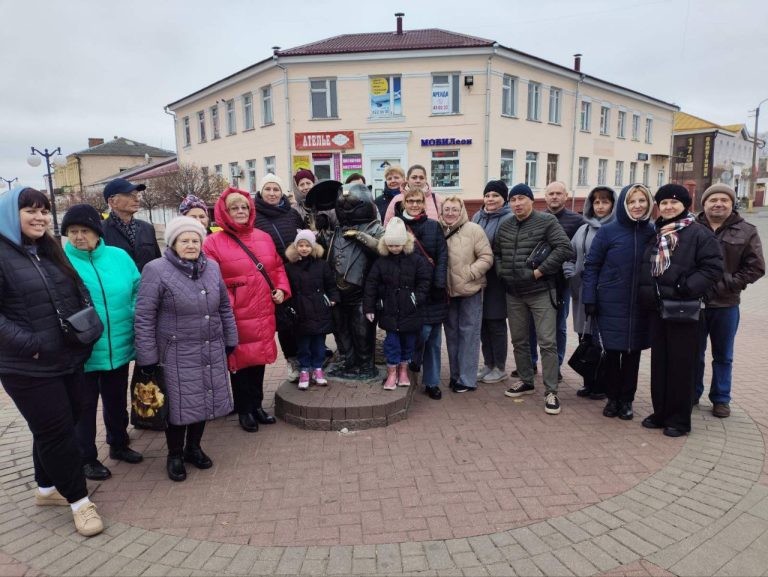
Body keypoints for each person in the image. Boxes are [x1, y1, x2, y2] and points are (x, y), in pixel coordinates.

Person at [0, 186, 103, 537]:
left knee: (64, 420)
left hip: (67, 355)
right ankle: (79, 502)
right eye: (30, 210)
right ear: (11, 215)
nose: (40, 217)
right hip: (27, 365)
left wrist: (86, 325)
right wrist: (33, 344)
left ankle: (46, 488)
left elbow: (76, 289)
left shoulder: (48, 249)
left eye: (44, 211)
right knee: (58, 432)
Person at [135, 216, 238, 481]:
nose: (191, 245)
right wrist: (147, 356)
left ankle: (194, 448)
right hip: (175, 352)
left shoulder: (212, 267)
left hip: (210, 346)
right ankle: (175, 454)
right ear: (173, 243)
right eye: (184, 240)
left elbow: (224, 307)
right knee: (179, 406)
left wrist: (230, 339)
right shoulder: (155, 270)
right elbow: (145, 315)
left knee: (204, 399)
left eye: (195, 240)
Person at [62, 204, 143, 481]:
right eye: (72, 231)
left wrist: (132, 313)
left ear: (98, 232)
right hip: (82, 350)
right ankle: (87, 458)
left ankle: (119, 444)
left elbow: (137, 289)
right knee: (84, 408)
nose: (78, 237)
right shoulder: (60, 261)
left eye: (85, 230)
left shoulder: (119, 257)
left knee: (116, 399)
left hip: (118, 346)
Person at [638, 184, 722, 437]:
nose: (668, 207)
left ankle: (679, 419)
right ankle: (660, 412)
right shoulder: (657, 232)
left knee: (681, 366)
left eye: (674, 203)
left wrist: (686, 286)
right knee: (660, 363)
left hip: (684, 310)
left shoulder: (698, 233)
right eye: (663, 203)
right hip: (658, 309)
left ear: (685, 205)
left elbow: (713, 268)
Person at [203, 188, 291, 432]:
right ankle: (244, 410)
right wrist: (232, 295)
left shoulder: (263, 237)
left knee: (258, 360)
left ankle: (257, 405)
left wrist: (282, 289)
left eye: (244, 207)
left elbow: (277, 268)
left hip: (262, 310)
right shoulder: (212, 243)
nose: (240, 211)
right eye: (235, 207)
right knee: (239, 363)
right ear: (225, 212)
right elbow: (210, 281)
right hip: (235, 314)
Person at [494, 183, 573, 415]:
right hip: (514, 293)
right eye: (513, 199)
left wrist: (540, 272)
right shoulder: (505, 224)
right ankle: (526, 381)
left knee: (547, 342)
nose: (517, 203)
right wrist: (502, 272)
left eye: (521, 198)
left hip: (540, 292)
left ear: (531, 200)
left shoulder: (547, 221)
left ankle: (551, 391)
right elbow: (497, 252)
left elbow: (564, 248)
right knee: (519, 340)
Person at [581, 185, 655, 419]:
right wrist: (590, 298)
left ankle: (627, 400)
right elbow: (591, 266)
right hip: (610, 302)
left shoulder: (651, 232)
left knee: (633, 355)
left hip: (641, 305)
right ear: (623, 203)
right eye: (632, 201)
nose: (637, 205)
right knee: (612, 353)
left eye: (642, 200)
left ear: (649, 203)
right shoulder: (608, 231)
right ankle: (612, 398)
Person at [695, 183, 764, 418]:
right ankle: (692, 393)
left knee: (723, 355)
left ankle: (721, 399)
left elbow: (756, 267)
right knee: (694, 352)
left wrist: (728, 284)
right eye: (713, 199)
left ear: (731, 204)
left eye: (724, 200)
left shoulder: (746, 230)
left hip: (726, 305)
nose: (718, 203)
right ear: (704, 203)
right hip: (696, 304)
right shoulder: (691, 227)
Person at [515, 181, 585, 379]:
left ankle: (556, 365)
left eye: (558, 193)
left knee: (558, 326)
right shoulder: (536, 218)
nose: (554, 197)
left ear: (566, 196)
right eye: (550, 194)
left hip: (560, 283)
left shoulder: (576, 221)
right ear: (544, 197)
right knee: (531, 325)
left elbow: (576, 252)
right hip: (536, 282)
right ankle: (531, 362)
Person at [393, 186, 448, 399]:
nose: (415, 205)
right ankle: (412, 361)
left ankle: (432, 382)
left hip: (433, 292)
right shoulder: (397, 225)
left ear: (424, 203)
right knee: (418, 333)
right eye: (410, 201)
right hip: (410, 291)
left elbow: (442, 255)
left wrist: (440, 282)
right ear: (404, 203)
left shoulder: (434, 226)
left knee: (433, 338)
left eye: (418, 201)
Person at [364, 217, 432, 390]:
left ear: (404, 243)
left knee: (409, 343)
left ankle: (403, 371)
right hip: (390, 310)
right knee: (391, 343)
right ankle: (392, 373)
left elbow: (424, 280)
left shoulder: (416, 260)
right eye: (391, 245)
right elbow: (371, 283)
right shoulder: (381, 262)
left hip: (410, 310)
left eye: (397, 245)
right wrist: (370, 306)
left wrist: (416, 297)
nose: (394, 248)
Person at [563, 186, 617, 400]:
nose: (601, 206)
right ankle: (589, 380)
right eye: (597, 202)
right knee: (586, 338)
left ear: (613, 204)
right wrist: (570, 271)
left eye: (605, 202)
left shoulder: (618, 228)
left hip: (607, 294)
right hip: (583, 292)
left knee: (603, 340)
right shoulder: (584, 229)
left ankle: (603, 384)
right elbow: (569, 253)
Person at [327, 183, 385, 379]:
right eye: (342, 207)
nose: (346, 210)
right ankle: (348, 361)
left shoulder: (374, 227)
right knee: (341, 331)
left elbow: (383, 249)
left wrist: (362, 237)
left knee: (362, 332)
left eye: (351, 206)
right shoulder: (337, 230)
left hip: (362, 295)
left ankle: (366, 365)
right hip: (337, 293)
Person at [439, 196, 493, 392]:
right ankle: (455, 376)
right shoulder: (438, 230)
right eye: (447, 209)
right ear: (441, 211)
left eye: (455, 209)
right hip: (447, 292)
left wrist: (470, 273)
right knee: (451, 335)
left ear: (461, 210)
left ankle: (467, 379)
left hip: (470, 291)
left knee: (469, 335)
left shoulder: (473, 230)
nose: (450, 213)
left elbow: (486, 257)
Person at [253, 173, 304, 382]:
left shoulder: (292, 214)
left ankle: (308, 358)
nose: (272, 193)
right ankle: (292, 361)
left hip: (299, 273)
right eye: (268, 189)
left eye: (276, 189)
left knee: (304, 316)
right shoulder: (254, 217)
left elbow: (305, 237)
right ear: (261, 192)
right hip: (273, 277)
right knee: (284, 322)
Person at [284, 230, 340, 390]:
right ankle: (304, 370)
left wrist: (333, 297)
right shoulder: (289, 267)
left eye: (307, 245)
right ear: (296, 247)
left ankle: (317, 369)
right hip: (300, 311)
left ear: (313, 247)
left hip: (319, 309)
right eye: (300, 245)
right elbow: (287, 288)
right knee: (303, 345)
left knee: (319, 344)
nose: (304, 248)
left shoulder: (321, 265)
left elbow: (330, 283)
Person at [472, 180, 513, 384]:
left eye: (495, 195)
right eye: (487, 195)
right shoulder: (477, 217)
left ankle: (499, 366)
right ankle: (488, 363)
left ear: (504, 198)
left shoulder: (509, 218)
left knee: (495, 322)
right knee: (481, 323)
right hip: (479, 278)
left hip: (497, 278)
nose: (490, 199)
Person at [101, 177, 161, 272]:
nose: (137, 199)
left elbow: (158, 262)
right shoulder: (99, 230)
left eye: (137, 195)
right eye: (130, 195)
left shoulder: (147, 228)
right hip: (119, 286)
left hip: (148, 285)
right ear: (112, 202)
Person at [292, 169, 338, 238]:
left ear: (314, 183)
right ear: (297, 188)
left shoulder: (327, 204)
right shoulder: (294, 210)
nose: (306, 187)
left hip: (328, 246)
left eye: (308, 183)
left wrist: (326, 227)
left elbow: (338, 229)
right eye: (301, 184)